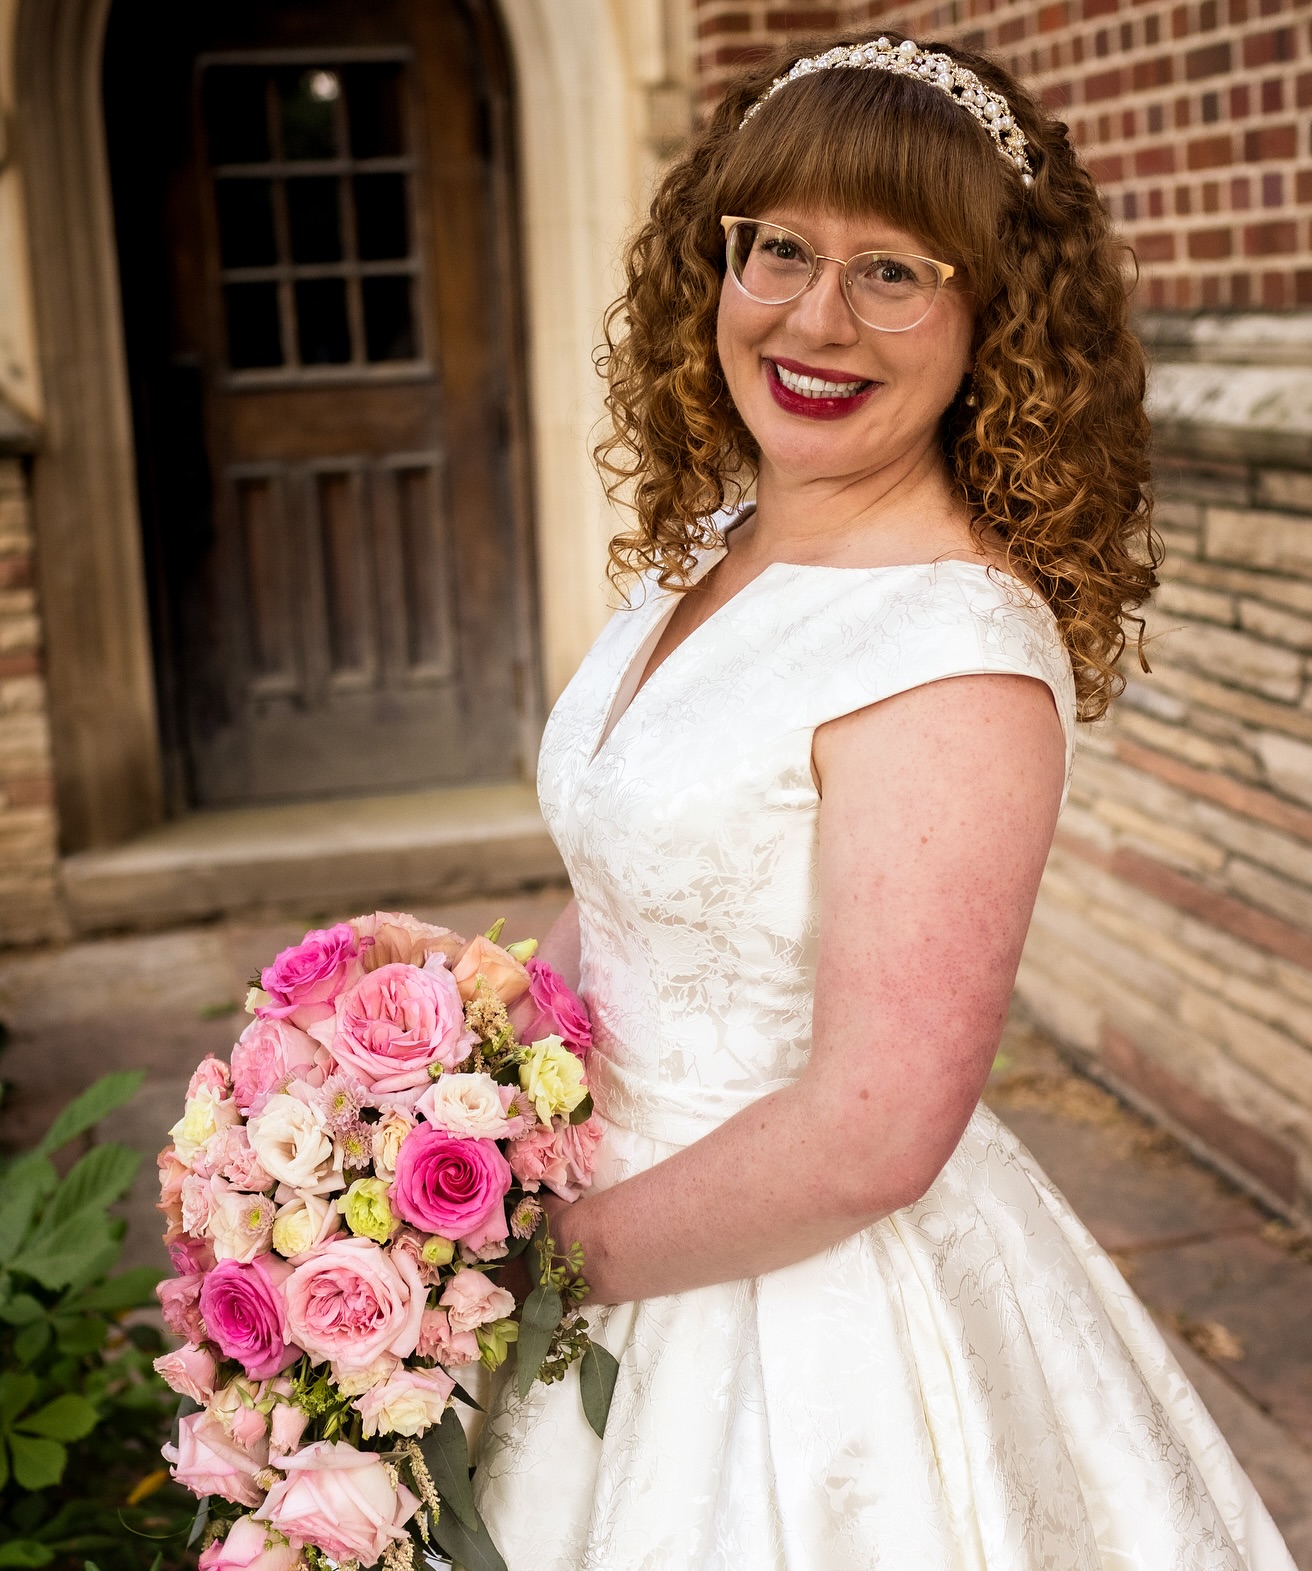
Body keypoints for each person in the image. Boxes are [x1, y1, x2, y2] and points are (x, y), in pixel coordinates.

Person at [472, 30, 1298, 1571]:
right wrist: (454, 1051)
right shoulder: (716, 543)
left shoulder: (950, 652)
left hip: (788, 1324)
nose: (815, 319)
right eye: (779, 248)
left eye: (895, 272)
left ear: (998, 319)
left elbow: (870, 1133)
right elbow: (645, 885)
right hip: (593, 1204)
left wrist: (531, 1273)